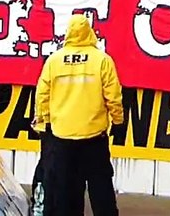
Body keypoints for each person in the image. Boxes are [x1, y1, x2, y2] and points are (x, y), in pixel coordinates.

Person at [34, 13, 123, 216]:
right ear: (89, 32)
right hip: (94, 139)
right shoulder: (102, 60)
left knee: (65, 194)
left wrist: (43, 124)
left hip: (62, 138)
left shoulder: (54, 61)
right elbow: (113, 96)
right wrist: (118, 121)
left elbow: (42, 96)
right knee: (102, 193)